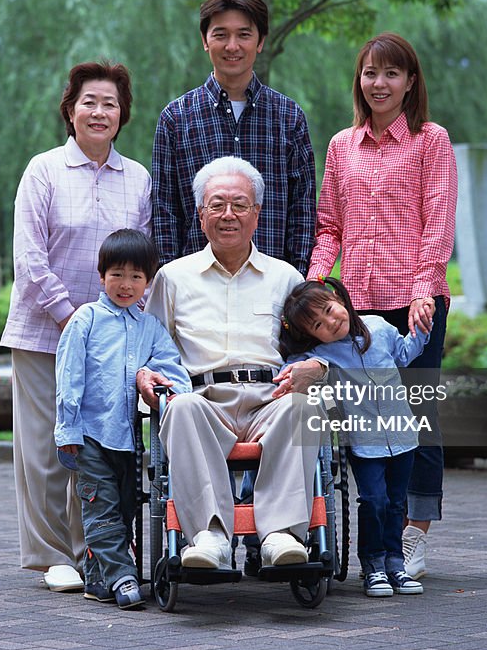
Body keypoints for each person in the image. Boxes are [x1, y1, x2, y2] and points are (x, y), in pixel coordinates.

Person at [308, 32, 457, 578]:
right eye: (370, 73)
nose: (379, 83)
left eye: (391, 73)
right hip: (358, 309)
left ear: (410, 81)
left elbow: (438, 219)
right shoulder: (342, 146)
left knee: (419, 416)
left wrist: (424, 289)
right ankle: (375, 536)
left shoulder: (430, 140)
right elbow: (329, 225)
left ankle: (413, 535)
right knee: (364, 419)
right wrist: (314, 284)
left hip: (415, 304)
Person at [0, 61, 152, 593]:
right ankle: (48, 555)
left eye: (110, 103)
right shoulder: (43, 170)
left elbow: (142, 264)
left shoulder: (137, 179)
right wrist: (71, 317)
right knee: (44, 446)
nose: (99, 111)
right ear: (70, 109)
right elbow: (29, 257)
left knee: (97, 445)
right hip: (46, 332)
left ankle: (95, 548)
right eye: (89, 101)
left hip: (110, 342)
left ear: (122, 114)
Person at [139, 156, 328, 572]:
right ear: (200, 214)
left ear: (257, 214)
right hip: (204, 400)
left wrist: (318, 369)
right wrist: (143, 373)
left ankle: (280, 534)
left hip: (271, 399)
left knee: (304, 407)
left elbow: (317, 347)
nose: (229, 215)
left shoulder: (285, 278)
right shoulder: (173, 277)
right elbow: (148, 346)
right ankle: (211, 536)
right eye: (217, 204)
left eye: (240, 205)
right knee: (181, 407)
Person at [54, 229, 192, 609]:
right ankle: (123, 577)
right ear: (101, 276)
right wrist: (67, 429)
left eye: (136, 276)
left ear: (149, 281)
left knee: (126, 507)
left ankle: (98, 580)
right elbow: (69, 377)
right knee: (100, 505)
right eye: (117, 274)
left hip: (130, 438)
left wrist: (153, 378)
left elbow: (173, 369)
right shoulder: (86, 319)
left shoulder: (149, 327)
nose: (125, 284)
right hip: (90, 436)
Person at [279, 277, 430, 597]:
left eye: (329, 310)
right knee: (374, 500)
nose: (331, 322)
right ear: (311, 335)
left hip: (404, 436)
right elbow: (298, 366)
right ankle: (373, 565)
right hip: (364, 443)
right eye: (318, 324)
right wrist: (303, 368)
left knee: (396, 503)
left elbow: (404, 354)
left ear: (339, 298)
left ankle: (395, 565)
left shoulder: (380, 327)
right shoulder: (323, 355)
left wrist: (422, 328)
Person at [151, 0, 316, 276]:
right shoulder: (176, 118)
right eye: (220, 34)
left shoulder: (289, 117)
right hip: (196, 287)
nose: (232, 46)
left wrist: (296, 281)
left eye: (243, 34)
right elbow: (165, 212)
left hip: (272, 286)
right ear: (205, 40)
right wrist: (169, 279)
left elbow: (302, 211)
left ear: (260, 41)